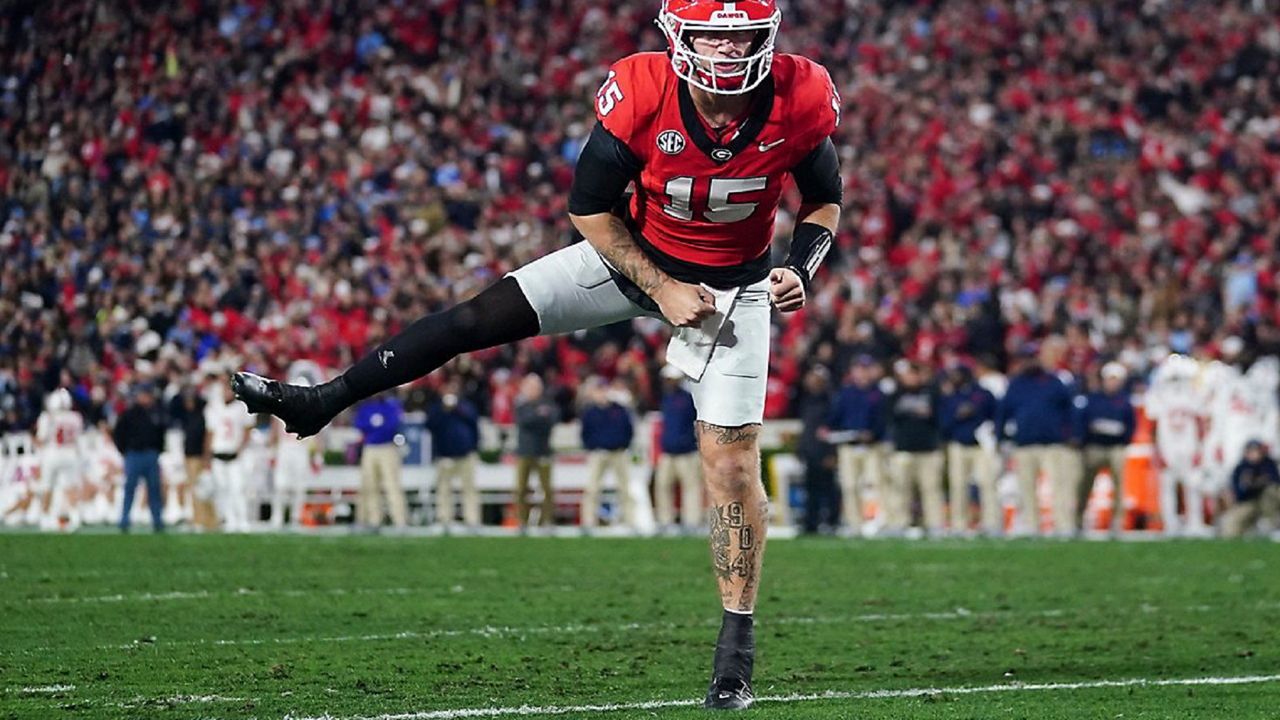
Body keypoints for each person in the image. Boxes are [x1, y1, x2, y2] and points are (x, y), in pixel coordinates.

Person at [232, 0, 840, 707]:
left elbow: (823, 198)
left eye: (741, 38)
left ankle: (735, 650)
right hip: (632, 262)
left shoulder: (799, 98)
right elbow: (588, 209)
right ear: (682, 38)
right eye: (715, 37)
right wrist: (663, 285)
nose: (729, 54)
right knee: (474, 318)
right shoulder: (643, 91)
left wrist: (801, 266)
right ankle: (321, 400)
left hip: (734, 290)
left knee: (732, 466)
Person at [997, 344, 1077, 536]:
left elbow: (1070, 411)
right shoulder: (1016, 384)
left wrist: (1072, 435)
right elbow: (1003, 412)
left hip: (1053, 444)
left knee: (1060, 487)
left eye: (1032, 357)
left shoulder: (1054, 382)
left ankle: (1064, 527)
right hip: (1024, 444)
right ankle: (1031, 527)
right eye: (1025, 358)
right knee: (1026, 489)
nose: (1029, 362)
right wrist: (1001, 437)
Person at [1144, 355, 1209, 535]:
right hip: (1168, 445)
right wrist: (1157, 450)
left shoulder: (1194, 394)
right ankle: (1170, 524)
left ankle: (1195, 522)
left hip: (1189, 444)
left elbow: (1201, 422)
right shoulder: (1158, 396)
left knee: (1193, 485)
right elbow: (1153, 426)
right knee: (1167, 486)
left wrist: (1201, 448)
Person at [827, 356, 888, 536]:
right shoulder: (845, 393)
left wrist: (873, 433)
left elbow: (884, 420)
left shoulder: (878, 393)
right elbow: (835, 417)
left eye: (865, 368)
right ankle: (854, 523)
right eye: (859, 368)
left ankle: (877, 520)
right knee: (849, 485)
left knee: (875, 484)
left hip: (872, 446)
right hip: (849, 444)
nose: (862, 372)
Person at [1075, 363, 1137, 535]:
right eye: (1110, 379)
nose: (1112, 383)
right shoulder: (1093, 399)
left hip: (1116, 447)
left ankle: (1117, 522)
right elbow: (1085, 421)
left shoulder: (1124, 401)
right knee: (1085, 484)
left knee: (1120, 485)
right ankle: (1078, 519)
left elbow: (1131, 425)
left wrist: (1125, 439)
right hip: (1095, 446)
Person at [938, 365, 999, 534]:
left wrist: (991, 431)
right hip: (958, 445)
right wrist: (957, 415)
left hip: (981, 445)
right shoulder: (949, 397)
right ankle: (959, 524)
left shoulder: (983, 394)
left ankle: (992, 523)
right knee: (958, 486)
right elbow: (943, 423)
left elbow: (995, 416)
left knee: (987, 483)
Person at [885, 361, 943, 535]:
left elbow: (939, 416)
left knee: (931, 489)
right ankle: (899, 523)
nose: (910, 378)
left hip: (928, 449)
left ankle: (934, 524)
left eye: (913, 374)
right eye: (907, 375)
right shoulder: (895, 395)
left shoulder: (932, 393)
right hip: (903, 449)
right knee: (900, 489)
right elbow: (888, 417)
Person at [579, 378, 636, 529]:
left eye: (603, 390)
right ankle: (589, 522)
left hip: (618, 452)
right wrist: (592, 446)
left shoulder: (619, 409)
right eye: (598, 391)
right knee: (592, 489)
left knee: (625, 488)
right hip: (598, 453)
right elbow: (584, 433)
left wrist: (623, 444)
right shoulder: (590, 412)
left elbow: (628, 429)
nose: (601, 394)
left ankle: (630, 521)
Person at [426, 380, 482, 530]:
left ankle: (472, 520)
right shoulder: (436, 408)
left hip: (465, 454)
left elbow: (473, 420)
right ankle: (444, 519)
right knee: (444, 490)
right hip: (445, 455)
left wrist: (456, 408)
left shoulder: (466, 406)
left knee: (469, 490)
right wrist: (443, 410)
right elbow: (430, 425)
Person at [112, 382, 167, 533]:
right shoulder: (129, 413)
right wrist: (125, 451)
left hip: (151, 454)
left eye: (148, 395)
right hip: (134, 454)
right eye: (143, 395)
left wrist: (158, 450)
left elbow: (162, 433)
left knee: (154, 490)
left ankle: (157, 521)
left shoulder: (156, 413)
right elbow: (118, 434)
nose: (146, 398)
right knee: (130, 488)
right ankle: (124, 520)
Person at [271, 377, 322, 530]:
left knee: (299, 486)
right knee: (280, 485)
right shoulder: (281, 406)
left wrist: (317, 455)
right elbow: (274, 431)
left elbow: (315, 434)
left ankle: (296, 517)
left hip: (301, 449)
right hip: (285, 448)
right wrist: (272, 451)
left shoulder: (311, 410)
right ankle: (277, 517)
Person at [654, 364, 701, 531]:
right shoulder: (666, 399)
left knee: (691, 488)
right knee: (662, 486)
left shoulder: (688, 398)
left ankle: (692, 521)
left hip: (686, 451)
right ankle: (665, 520)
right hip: (668, 451)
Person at [204, 381, 255, 532]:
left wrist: (241, 448)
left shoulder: (241, 407)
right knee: (223, 489)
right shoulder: (213, 407)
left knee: (238, 488)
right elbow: (210, 432)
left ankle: (242, 519)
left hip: (235, 454)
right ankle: (229, 519)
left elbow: (247, 430)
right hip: (218, 453)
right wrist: (207, 456)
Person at [353, 393, 408, 529]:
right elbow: (359, 424)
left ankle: (400, 520)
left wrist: (375, 427)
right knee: (369, 485)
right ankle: (373, 520)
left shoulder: (391, 406)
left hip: (387, 447)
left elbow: (393, 424)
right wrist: (375, 425)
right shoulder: (365, 407)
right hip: (370, 448)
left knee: (392, 485)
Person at [34, 389, 85, 531]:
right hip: (70, 452)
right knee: (71, 487)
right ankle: (75, 518)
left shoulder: (47, 417)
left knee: (47, 486)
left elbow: (42, 438)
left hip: (52, 452)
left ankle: (45, 518)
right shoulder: (76, 417)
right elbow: (77, 438)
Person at [795, 367, 838, 534]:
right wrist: (801, 449)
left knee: (829, 489)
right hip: (810, 451)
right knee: (811, 489)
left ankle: (832, 521)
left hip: (824, 451)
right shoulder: (807, 400)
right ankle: (810, 523)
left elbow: (833, 428)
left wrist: (831, 453)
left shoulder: (831, 401)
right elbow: (807, 428)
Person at [514, 373, 559, 528]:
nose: (533, 390)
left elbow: (552, 420)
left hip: (543, 451)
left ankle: (546, 520)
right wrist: (539, 416)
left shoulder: (548, 403)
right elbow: (524, 421)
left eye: (535, 387)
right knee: (521, 489)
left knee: (546, 489)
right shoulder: (521, 404)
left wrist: (537, 418)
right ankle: (522, 520)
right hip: (525, 452)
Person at [1219, 440, 1280, 538]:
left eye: (1257, 451)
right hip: (1248, 502)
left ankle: (1271, 524)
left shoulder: (1268, 464)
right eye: (1252, 451)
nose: (1255, 454)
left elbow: (1274, 481)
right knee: (1230, 527)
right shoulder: (1240, 468)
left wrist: (1256, 483)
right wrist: (1251, 485)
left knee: (1271, 492)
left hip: (1265, 501)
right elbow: (1239, 493)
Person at [171, 383, 208, 528]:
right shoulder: (187, 415)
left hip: (198, 455)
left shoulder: (201, 414)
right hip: (189, 455)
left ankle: (203, 520)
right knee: (194, 489)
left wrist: (206, 456)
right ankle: (199, 518)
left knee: (201, 489)